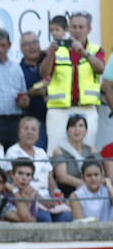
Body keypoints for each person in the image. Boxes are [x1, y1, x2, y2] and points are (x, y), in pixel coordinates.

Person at [40, 10, 105, 153]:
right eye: (73, 27)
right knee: (55, 152)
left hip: (86, 108)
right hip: (59, 109)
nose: (77, 31)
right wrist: (51, 53)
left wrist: (83, 52)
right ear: (69, 28)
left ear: (89, 29)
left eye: (81, 27)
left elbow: (101, 69)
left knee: (86, 152)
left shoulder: (95, 49)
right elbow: (44, 73)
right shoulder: (58, 49)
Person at [51, 112, 102, 196]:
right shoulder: (59, 151)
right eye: (73, 126)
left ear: (86, 131)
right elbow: (62, 177)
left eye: (80, 126)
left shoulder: (93, 150)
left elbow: (101, 174)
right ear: (67, 130)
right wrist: (87, 185)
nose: (77, 129)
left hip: (92, 191)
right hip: (68, 193)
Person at [19, 31, 48, 148]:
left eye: (35, 43)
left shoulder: (50, 60)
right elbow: (19, 95)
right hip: (34, 122)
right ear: (21, 48)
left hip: (56, 116)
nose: (32, 47)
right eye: (27, 44)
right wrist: (31, 93)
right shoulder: (18, 69)